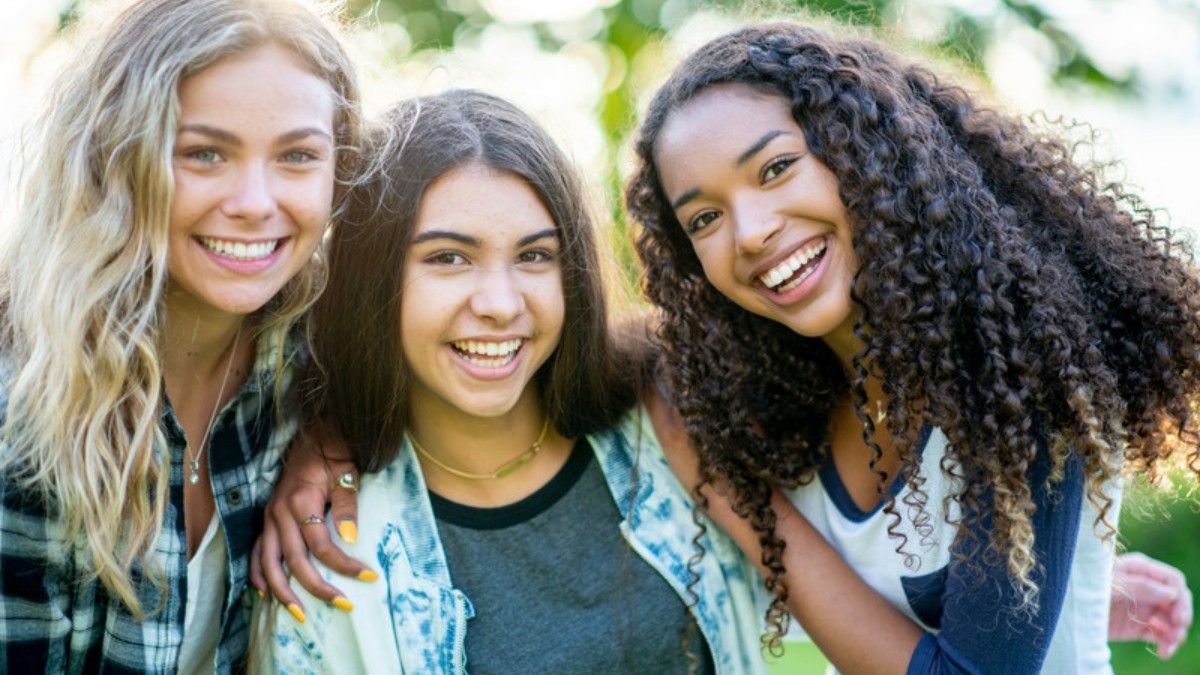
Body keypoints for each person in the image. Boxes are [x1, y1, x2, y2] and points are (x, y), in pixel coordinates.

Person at [624, 21, 1200, 674]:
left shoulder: (1012, 368)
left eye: (776, 167)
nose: (750, 233)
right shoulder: (778, 397)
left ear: (863, 151)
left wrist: (731, 497)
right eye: (704, 218)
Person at [259, 89, 766, 674]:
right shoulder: (332, 548)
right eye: (448, 258)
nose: (500, 305)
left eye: (534, 256)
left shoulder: (677, 424)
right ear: (374, 280)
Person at [0, 0, 360, 672]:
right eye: (204, 152)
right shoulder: (22, 404)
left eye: (297, 155)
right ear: (115, 158)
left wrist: (329, 438)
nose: (255, 201)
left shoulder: (308, 366)